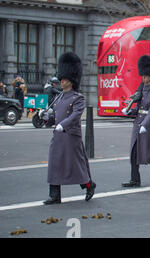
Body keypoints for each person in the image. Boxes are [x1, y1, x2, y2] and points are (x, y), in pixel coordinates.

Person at [44, 52, 96, 205]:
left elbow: (75, 116)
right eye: (61, 78)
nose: (61, 81)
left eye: (64, 78)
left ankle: (88, 185)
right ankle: (55, 195)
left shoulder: (78, 98)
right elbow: (56, 116)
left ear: (71, 80)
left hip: (71, 136)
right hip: (58, 135)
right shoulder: (59, 97)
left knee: (76, 165)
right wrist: (47, 117)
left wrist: (62, 125)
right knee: (54, 163)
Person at [122, 55, 150, 187]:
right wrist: (129, 111)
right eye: (143, 75)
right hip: (138, 124)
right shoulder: (141, 90)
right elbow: (139, 108)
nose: (144, 78)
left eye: (146, 76)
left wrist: (145, 124)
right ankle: (135, 179)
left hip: (147, 126)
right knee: (134, 152)